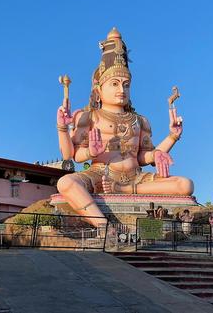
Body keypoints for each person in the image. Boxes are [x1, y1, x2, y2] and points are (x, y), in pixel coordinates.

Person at [56, 28, 194, 227]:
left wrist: (172, 137)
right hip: (99, 175)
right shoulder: (88, 116)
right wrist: (64, 129)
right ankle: (103, 227)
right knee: (65, 183)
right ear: (98, 89)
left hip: (135, 179)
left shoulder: (140, 120)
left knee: (185, 184)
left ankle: (122, 190)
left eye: (126, 85)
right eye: (114, 84)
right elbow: (71, 156)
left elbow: (143, 157)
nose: (122, 90)